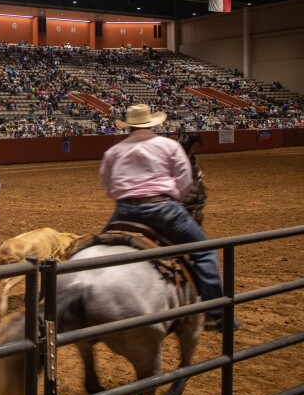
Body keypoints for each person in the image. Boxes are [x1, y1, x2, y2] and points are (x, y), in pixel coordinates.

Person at [99, 104, 237, 332]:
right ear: (154, 124)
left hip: (123, 212)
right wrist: (175, 197)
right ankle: (216, 314)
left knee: (97, 253)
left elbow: (107, 184)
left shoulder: (113, 151)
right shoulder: (168, 145)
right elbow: (184, 181)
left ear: (129, 126)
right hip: (162, 210)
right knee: (205, 250)